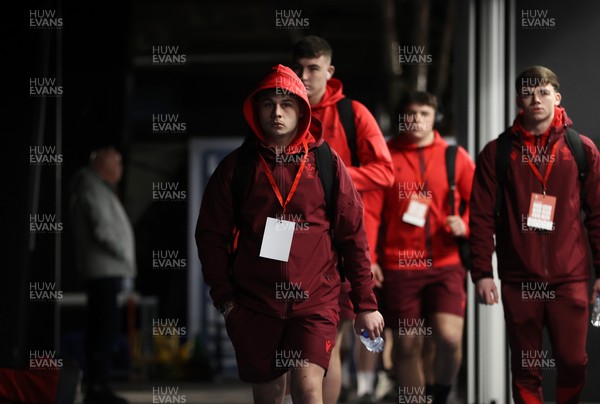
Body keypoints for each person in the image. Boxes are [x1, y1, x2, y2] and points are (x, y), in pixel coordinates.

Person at [195, 64, 384, 404]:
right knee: (269, 395)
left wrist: (365, 303)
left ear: (301, 110)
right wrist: (226, 299)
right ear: (256, 110)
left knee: (309, 388)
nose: (277, 113)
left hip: (316, 301)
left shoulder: (327, 163)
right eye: (268, 104)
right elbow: (210, 235)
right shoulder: (236, 168)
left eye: (286, 104)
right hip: (254, 304)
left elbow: (352, 236)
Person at [470, 65, 600, 403]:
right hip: (518, 278)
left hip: (569, 276)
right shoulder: (496, 153)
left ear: (557, 98)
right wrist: (482, 273)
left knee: (573, 362)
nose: (536, 98)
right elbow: (481, 216)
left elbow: (598, 214)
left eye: (543, 92)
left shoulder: (581, 149)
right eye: (528, 93)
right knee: (526, 368)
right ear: (518, 101)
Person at [291, 35, 394, 404]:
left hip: (340, 244)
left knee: (326, 343)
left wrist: (335, 175)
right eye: (299, 67)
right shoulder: (282, 111)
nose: (304, 76)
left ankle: (365, 386)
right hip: (289, 246)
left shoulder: (353, 113)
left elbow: (385, 172)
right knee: (293, 348)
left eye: (313, 68)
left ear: (329, 71)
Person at [364, 91, 474, 403]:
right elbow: (370, 213)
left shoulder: (455, 157)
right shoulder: (386, 156)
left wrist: (464, 223)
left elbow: (481, 202)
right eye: (411, 113)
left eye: (425, 113)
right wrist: (370, 259)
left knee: (449, 337)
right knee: (407, 345)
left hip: (445, 262)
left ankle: (440, 393)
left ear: (435, 118)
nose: (417, 120)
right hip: (399, 265)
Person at [69, 147, 134, 404]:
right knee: (102, 330)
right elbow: (102, 229)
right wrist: (123, 254)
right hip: (104, 270)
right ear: (104, 166)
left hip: (107, 269)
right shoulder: (91, 188)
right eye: (117, 163)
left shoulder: (97, 187)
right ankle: (97, 388)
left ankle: (98, 385)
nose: (121, 169)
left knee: (104, 329)